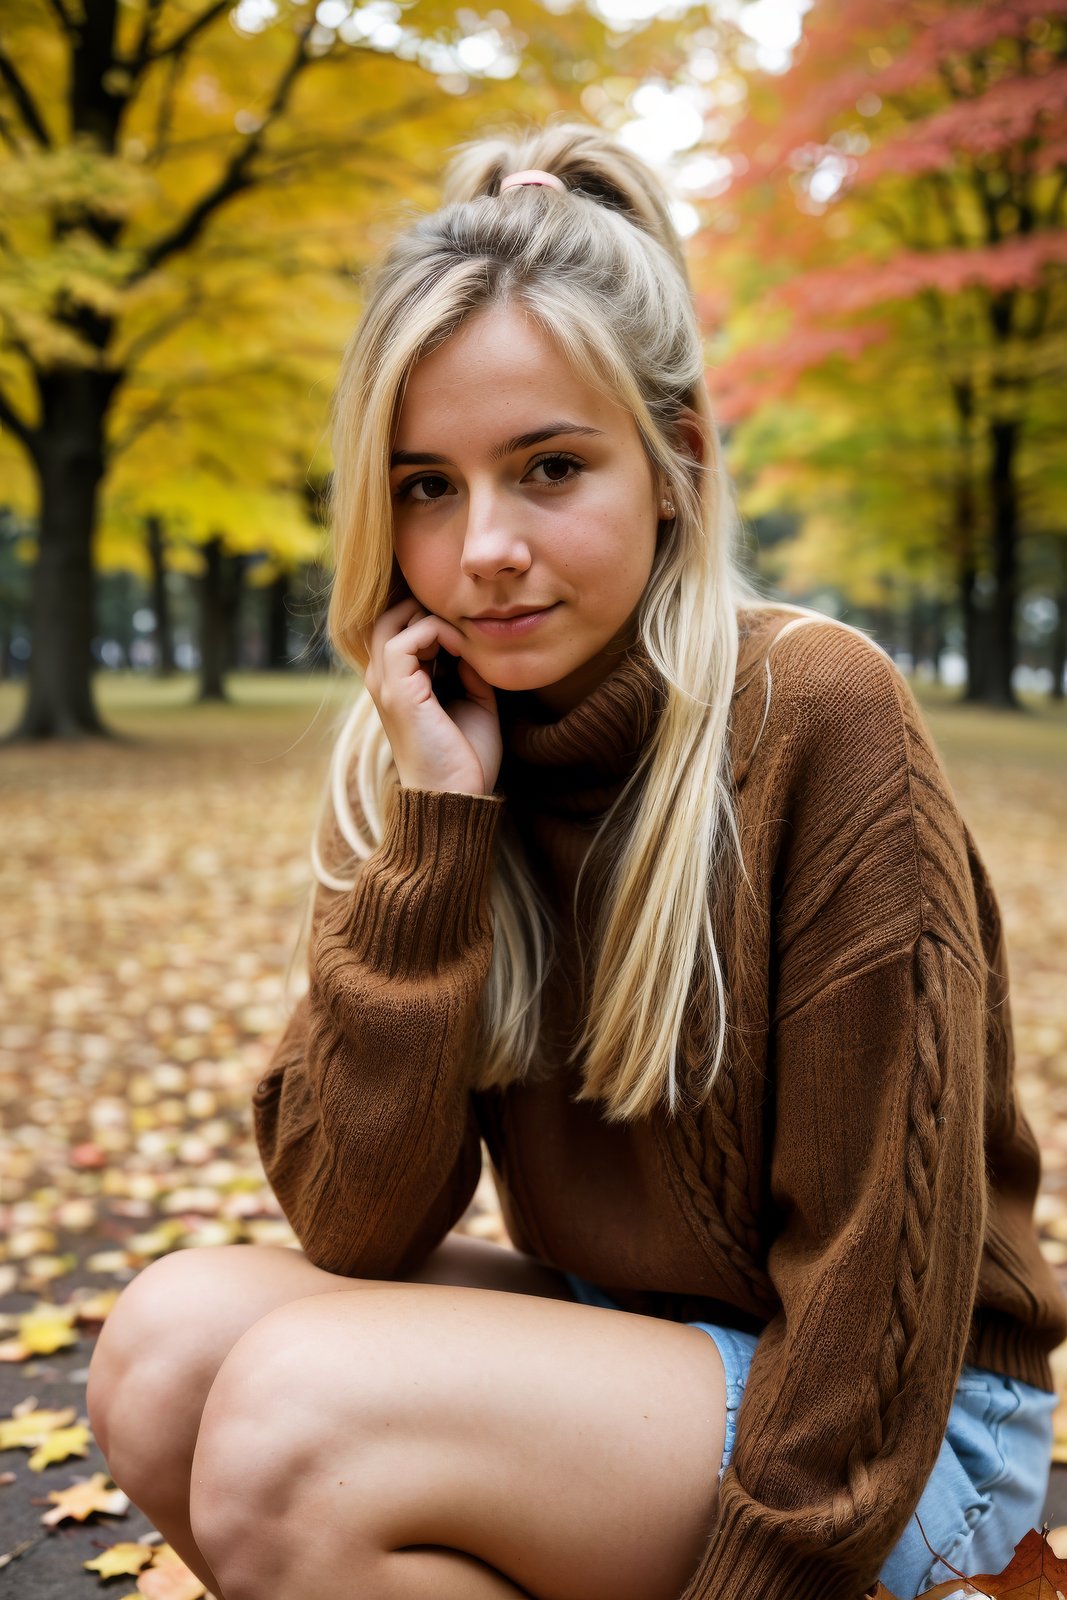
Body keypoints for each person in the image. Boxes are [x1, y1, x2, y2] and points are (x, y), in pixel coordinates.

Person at [86, 120, 1066, 1600]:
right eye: (426, 484)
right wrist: (437, 837)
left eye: (548, 468)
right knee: (166, 1351)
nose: (482, 548)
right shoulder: (439, 749)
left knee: (299, 1425)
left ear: (673, 465)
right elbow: (355, 1223)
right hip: (643, 1346)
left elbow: (876, 1290)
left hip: (897, 1430)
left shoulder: (813, 713)